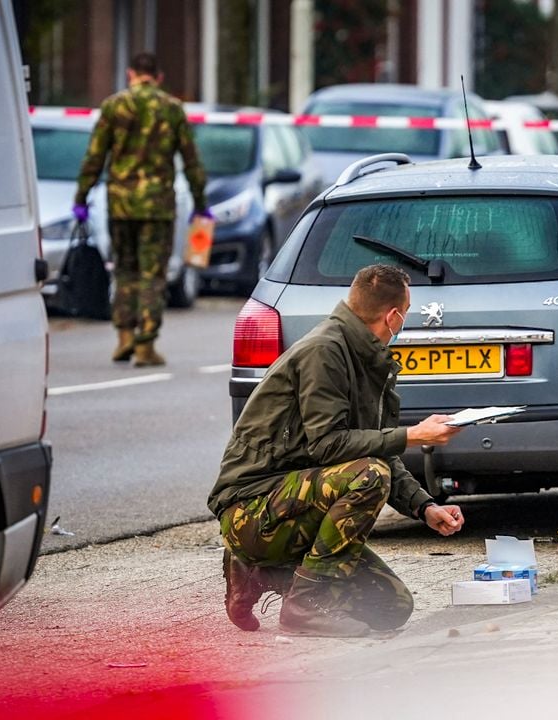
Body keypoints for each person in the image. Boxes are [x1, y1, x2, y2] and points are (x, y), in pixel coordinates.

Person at [207, 264, 466, 636]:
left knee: (391, 606)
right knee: (368, 476)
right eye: (406, 315)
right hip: (251, 509)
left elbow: (375, 447)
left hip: (294, 505)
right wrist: (412, 435)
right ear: (393, 316)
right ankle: (305, 605)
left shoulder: (362, 356)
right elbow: (329, 445)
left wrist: (425, 507)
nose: (404, 323)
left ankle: (258, 572)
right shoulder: (325, 351)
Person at [74, 52, 209, 367]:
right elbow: (191, 161)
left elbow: (95, 156)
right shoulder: (172, 109)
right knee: (152, 275)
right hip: (158, 207)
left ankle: (124, 335)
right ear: (158, 77)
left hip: (120, 204)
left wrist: (81, 197)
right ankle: (146, 344)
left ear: (129, 74)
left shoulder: (112, 106)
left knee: (124, 270)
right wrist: (201, 203)